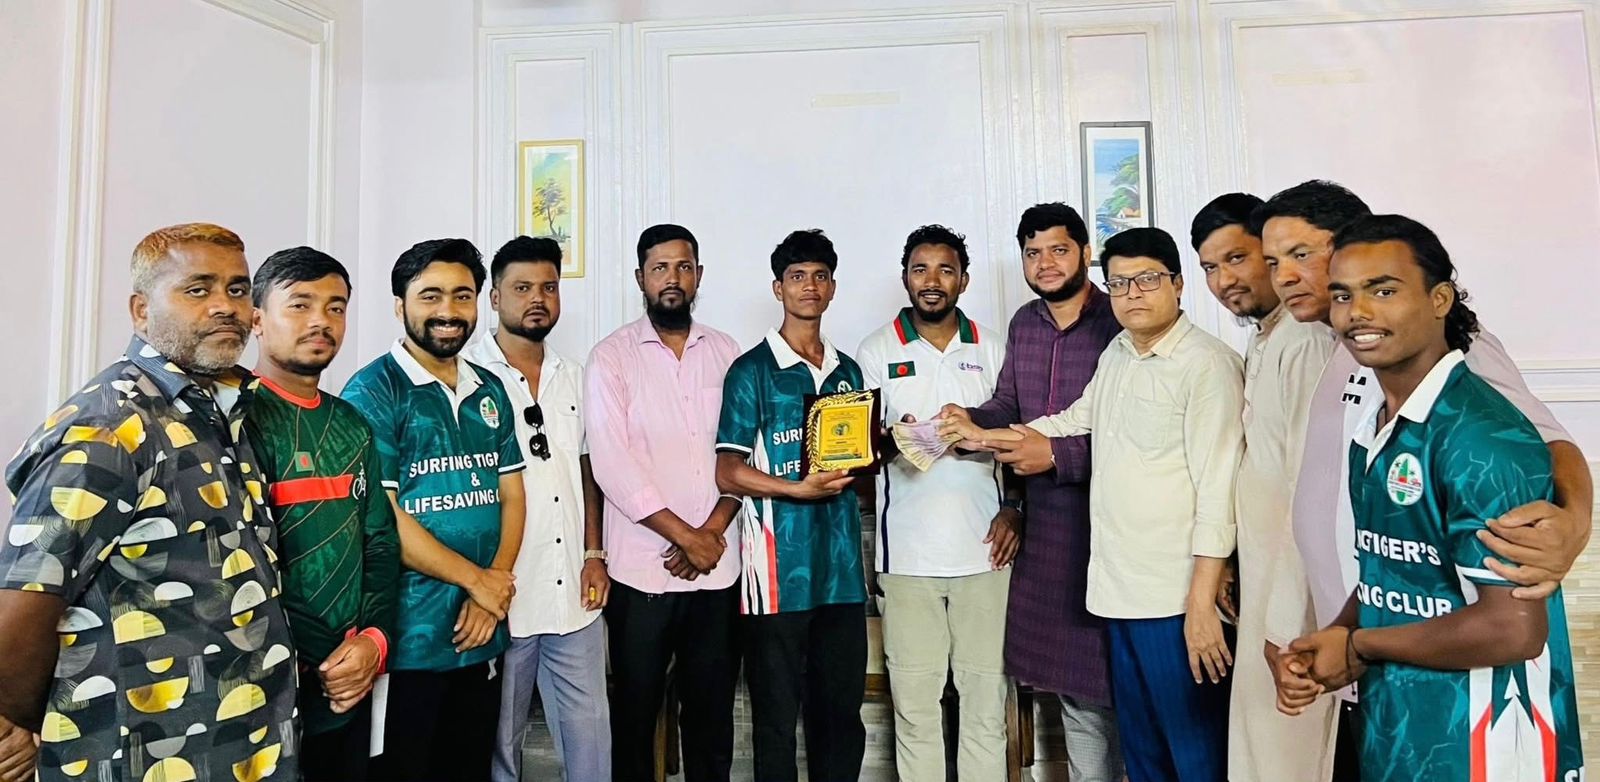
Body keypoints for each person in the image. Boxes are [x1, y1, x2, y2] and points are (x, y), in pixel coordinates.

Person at [1256, 181, 1594, 779]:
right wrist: (1335, 634)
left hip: (1478, 722)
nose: (1285, 275)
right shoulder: (1367, 394)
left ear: (1438, 298)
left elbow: (1544, 443)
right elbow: (1389, 557)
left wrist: (1574, 521)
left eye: (1302, 255)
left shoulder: (1464, 386)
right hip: (1395, 694)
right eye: (1345, 293)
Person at [0, 224, 299, 782]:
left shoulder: (223, 411)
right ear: (141, 311)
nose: (225, 306)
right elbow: (26, 599)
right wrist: (17, 724)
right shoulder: (110, 427)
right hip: (142, 754)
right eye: (198, 289)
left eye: (237, 289)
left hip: (241, 742)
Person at [944, 227, 1242, 782]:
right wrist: (981, 434)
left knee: (1195, 753)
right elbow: (1070, 421)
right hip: (1118, 592)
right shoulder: (1120, 353)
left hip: (1174, 597)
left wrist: (1203, 604)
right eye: (1120, 282)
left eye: (1147, 279)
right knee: (1145, 753)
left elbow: (1218, 493)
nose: (1132, 294)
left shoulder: (1208, 364)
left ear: (1178, 284)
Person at [946, 203, 1125, 781]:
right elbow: (1009, 405)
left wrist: (1054, 455)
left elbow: (1136, 437)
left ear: (1086, 254)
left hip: (1111, 527)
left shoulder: (1119, 319)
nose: (1045, 263)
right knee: (1075, 690)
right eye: (1032, 252)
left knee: (1120, 680)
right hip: (1047, 529)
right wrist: (965, 420)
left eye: (1058, 250)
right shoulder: (1025, 323)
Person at [342, 238, 527, 782]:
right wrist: (479, 582)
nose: (448, 310)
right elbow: (382, 516)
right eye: (431, 296)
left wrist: (493, 589)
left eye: (462, 296)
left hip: (480, 631)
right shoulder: (374, 390)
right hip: (407, 640)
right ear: (400, 305)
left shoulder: (489, 387)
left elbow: (512, 495)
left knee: (468, 768)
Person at [584, 224, 743, 782]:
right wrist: (686, 536)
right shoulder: (610, 357)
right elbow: (610, 462)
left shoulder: (727, 352)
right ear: (640, 278)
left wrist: (710, 534)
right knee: (634, 715)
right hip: (641, 573)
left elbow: (744, 450)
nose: (672, 278)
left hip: (716, 570)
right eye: (660, 268)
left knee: (711, 719)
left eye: (683, 267)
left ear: (698, 275)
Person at [856, 225, 1014, 781]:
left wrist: (1015, 510)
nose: (932, 281)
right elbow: (857, 452)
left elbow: (1021, 436)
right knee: (916, 711)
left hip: (986, 556)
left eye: (945, 270)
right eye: (920, 269)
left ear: (963, 280)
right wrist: (891, 437)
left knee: (985, 706)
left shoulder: (993, 347)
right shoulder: (876, 349)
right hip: (907, 561)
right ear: (905, 278)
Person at [1190, 194, 1339, 782]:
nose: (1225, 280)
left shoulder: (1306, 342)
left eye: (1238, 259)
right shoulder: (1267, 336)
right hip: (1263, 578)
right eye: (1210, 267)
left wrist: (1285, 622)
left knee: (1287, 754)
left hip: (1296, 598)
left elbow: (1311, 490)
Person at [715, 229, 867, 782]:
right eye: (797, 277)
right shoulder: (751, 370)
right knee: (776, 720)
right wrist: (797, 489)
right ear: (778, 288)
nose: (809, 287)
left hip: (842, 574)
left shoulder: (848, 372)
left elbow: (858, 464)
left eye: (820, 277)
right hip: (775, 575)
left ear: (832, 288)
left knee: (840, 717)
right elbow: (728, 471)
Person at [245, 247, 400, 781]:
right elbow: (246, 561)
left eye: (336, 307)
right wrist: (334, 656)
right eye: (301, 304)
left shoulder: (352, 424)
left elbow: (380, 542)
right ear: (257, 319)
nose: (321, 321)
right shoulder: (233, 422)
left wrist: (373, 641)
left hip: (352, 678)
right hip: (266, 686)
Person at [466, 236, 611, 782]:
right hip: (501, 594)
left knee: (591, 743)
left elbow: (587, 469)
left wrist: (594, 553)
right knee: (498, 745)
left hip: (572, 590)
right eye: (522, 288)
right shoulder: (465, 377)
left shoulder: (576, 374)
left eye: (549, 288)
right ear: (495, 298)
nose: (537, 299)